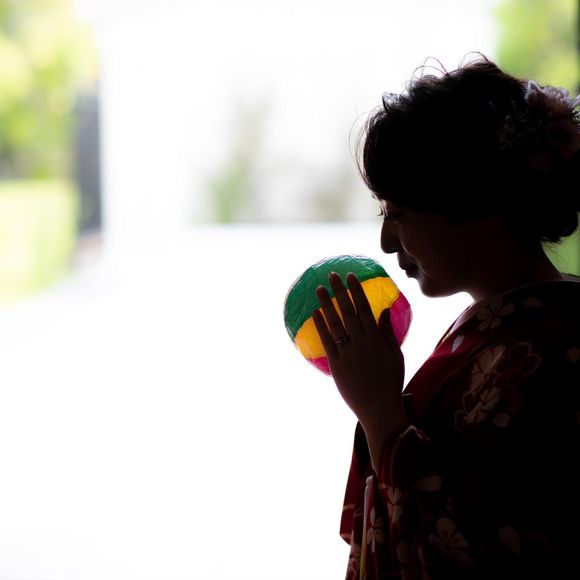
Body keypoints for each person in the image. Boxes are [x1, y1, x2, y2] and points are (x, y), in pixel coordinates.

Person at [311, 55, 580, 579]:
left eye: (398, 213)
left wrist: (381, 413)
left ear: (482, 204)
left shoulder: (548, 352)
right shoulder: (514, 329)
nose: (386, 241)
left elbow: (473, 549)